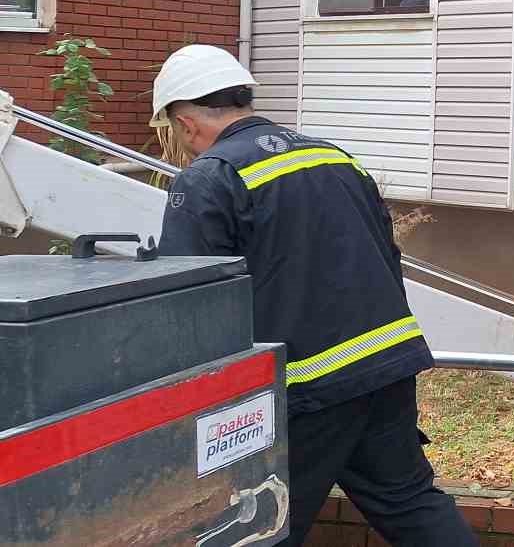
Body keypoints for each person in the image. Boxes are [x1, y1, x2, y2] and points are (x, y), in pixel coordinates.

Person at [150, 45, 475, 547]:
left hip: (307, 391)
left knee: (258, 522)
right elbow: (387, 257)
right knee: (410, 503)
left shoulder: (208, 179)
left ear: (186, 123)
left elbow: (189, 307)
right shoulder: (334, 157)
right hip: (387, 366)